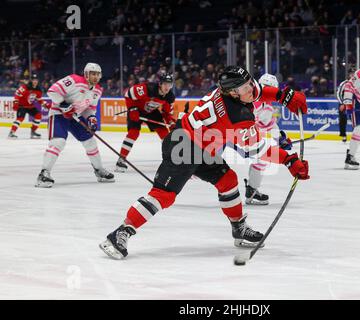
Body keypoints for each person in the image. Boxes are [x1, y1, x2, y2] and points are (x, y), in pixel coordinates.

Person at [99, 66, 309, 260]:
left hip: (200, 145)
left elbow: (258, 89)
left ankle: (239, 228)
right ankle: (119, 233)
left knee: (228, 179)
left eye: (249, 83)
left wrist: (284, 95)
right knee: (164, 195)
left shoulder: (232, 91)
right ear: (234, 93)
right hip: (184, 147)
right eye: (245, 87)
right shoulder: (237, 115)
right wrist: (289, 160)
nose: (251, 89)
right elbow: (258, 150)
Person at [35, 63, 115, 187]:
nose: (95, 77)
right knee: (58, 142)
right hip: (58, 114)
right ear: (86, 74)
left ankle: (99, 170)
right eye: (93, 74)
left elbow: (89, 109)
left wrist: (91, 118)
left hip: (76, 116)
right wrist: (64, 105)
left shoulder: (98, 90)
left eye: (98, 74)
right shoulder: (74, 80)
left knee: (90, 142)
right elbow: (52, 91)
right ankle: (44, 174)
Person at [243, 73, 292, 205]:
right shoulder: (252, 101)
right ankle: (252, 191)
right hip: (239, 135)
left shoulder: (267, 105)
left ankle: (252, 190)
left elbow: (269, 124)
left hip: (244, 137)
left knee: (260, 159)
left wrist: (281, 139)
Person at [115, 74, 176, 172]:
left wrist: (170, 122)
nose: (167, 87)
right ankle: (121, 160)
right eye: (165, 84)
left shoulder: (170, 96)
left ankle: (171, 161)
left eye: (170, 85)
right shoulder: (148, 88)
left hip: (151, 111)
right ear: (160, 84)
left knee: (165, 133)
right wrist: (132, 109)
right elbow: (128, 94)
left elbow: (166, 112)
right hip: (136, 110)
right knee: (133, 133)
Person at [8, 74, 48, 139]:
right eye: (33, 80)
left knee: (38, 115)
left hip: (30, 106)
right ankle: (11, 133)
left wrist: (44, 104)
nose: (35, 81)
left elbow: (39, 99)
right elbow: (17, 94)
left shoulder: (38, 89)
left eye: (36, 80)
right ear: (31, 81)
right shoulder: (25, 87)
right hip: (22, 106)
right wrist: (15, 103)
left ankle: (33, 132)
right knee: (20, 119)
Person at [336, 69, 355, 143]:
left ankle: (357, 135)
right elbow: (338, 93)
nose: (353, 75)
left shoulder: (358, 84)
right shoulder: (344, 83)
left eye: (354, 74)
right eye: (351, 74)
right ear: (348, 75)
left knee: (355, 120)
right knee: (343, 120)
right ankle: (343, 135)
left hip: (353, 104)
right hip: (344, 104)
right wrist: (341, 103)